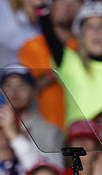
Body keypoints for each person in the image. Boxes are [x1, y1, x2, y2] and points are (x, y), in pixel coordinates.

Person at [35, 0, 102, 125]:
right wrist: (41, 8)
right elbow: (50, 35)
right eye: (90, 27)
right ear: (80, 35)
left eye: (101, 26)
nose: (97, 32)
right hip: (79, 141)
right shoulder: (70, 63)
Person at [18, 0, 82, 130]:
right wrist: (58, 72)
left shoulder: (91, 46)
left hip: (86, 130)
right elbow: (23, 89)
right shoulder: (31, 46)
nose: (68, 4)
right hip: (47, 129)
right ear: (49, 7)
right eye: (60, 1)